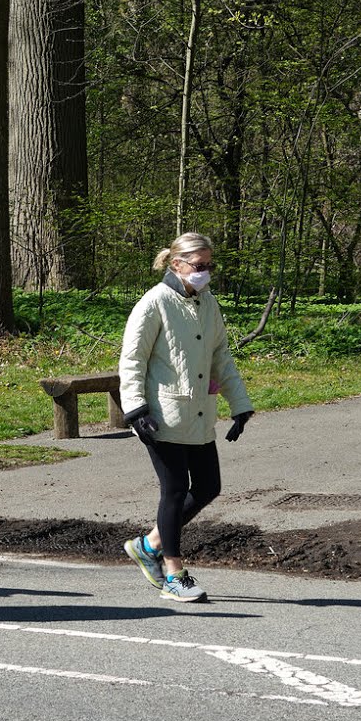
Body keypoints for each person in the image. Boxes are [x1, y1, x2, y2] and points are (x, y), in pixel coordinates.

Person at [117, 232, 253, 604]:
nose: (205, 272)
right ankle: (175, 574)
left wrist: (239, 403)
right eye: (199, 265)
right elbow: (132, 361)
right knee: (174, 490)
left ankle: (148, 546)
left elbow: (221, 356)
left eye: (210, 265)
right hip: (162, 414)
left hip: (198, 413)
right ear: (176, 264)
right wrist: (136, 409)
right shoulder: (154, 302)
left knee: (208, 486)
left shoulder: (208, 304)